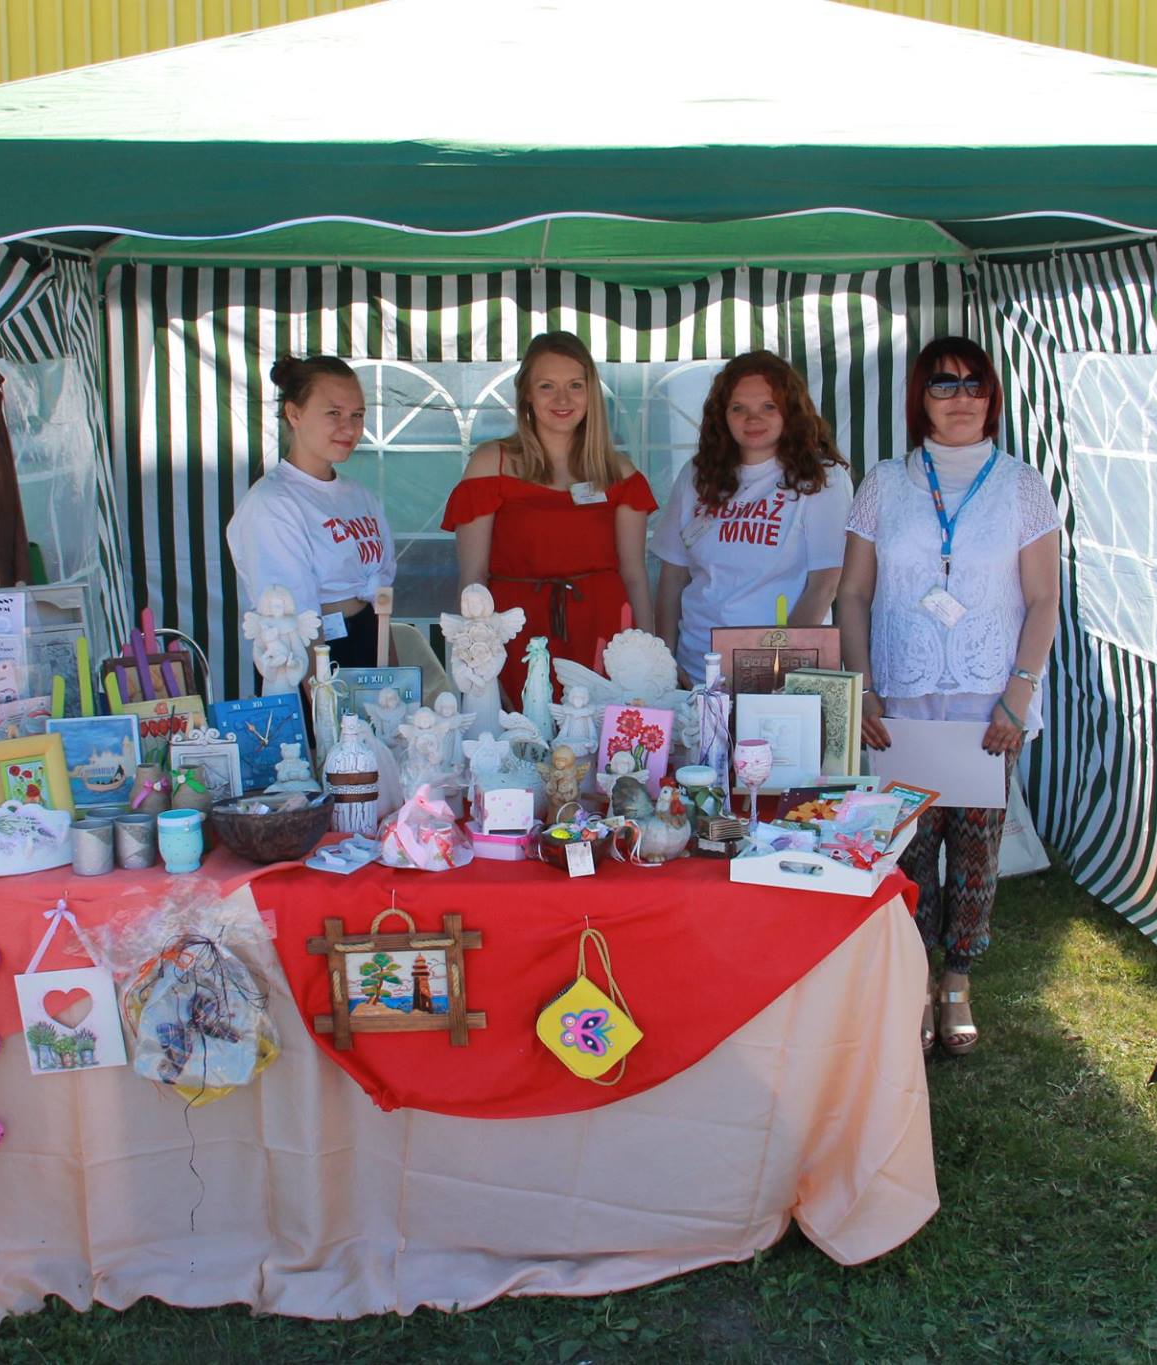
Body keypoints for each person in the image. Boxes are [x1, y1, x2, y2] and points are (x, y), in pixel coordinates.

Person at [837, 336, 1061, 1057]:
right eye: (943, 383)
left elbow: (1044, 599)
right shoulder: (884, 483)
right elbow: (853, 593)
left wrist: (1018, 696)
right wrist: (863, 687)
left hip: (988, 701)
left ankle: (957, 978)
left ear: (992, 396)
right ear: (920, 398)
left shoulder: (1022, 485)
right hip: (899, 698)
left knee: (975, 849)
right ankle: (913, 974)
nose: (960, 396)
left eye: (973, 383)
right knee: (907, 847)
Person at [442, 332, 655, 704]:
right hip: (517, 635)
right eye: (547, 386)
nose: (562, 399)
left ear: (591, 392)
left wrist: (652, 660)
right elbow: (472, 580)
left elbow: (635, 576)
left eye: (575, 385)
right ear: (526, 392)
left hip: (604, 636)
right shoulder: (491, 463)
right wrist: (479, 666)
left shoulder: (619, 472)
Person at [651, 351, 853, 685]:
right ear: (722, 415)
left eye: (768, 406)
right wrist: (666, 662)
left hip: (780, 674)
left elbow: (825, 585)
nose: (752, 419)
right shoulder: (696, 475)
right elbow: (672, 577)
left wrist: (779, 666)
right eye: (738, 408)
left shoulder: (821, 478)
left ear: (791, 411)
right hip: (697, 668)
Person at [224, 356, 394, 672]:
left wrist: (393, 678)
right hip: (311, 660)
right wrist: (321, 694)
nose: (349, 428)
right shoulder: (272, 503)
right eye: (334, 413)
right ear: (294, 414)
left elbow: (380, 604)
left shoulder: (359, 496)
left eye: (357, 415)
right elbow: (292, 623)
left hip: (368, 643)